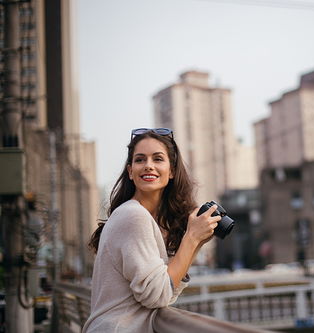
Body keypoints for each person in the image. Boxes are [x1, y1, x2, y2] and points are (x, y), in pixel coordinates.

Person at [83, 128, 268, 333]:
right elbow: (157, 296)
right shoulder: (134, 216)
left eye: (158, 159)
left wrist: (196, 242)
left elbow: (168, 292)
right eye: (140, 160)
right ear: (130, 171)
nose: (149, 166)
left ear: (171, 171)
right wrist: (191, 237)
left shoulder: (136, 216)